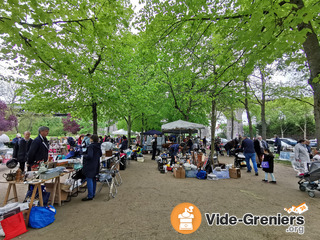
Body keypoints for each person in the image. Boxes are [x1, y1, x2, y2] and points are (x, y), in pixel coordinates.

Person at [82, 134, 102, 201]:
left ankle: (90, 196)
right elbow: (100, 154)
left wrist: (84, 156)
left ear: (92, 139)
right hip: (96, 164)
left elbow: (90, 156)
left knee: (89, 178)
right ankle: (93, 194)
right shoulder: (98, 146)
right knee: (93, 179)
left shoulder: (91, 146)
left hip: (90, 165)